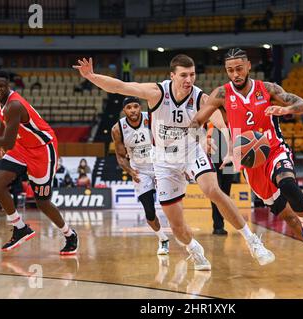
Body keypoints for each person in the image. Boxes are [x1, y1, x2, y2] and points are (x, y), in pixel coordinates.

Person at [73, 55, 274, 271]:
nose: (189, 80)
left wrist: (229, 142)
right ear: (172, 76)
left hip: (191, 152)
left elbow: (219, 119)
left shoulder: (199, 97)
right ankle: (193, 248)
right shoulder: (157, 92)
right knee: (177, 226)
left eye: (192, 74)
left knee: (213, 190)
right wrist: (91, 76)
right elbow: (120, 86)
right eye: (184, 75)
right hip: (163, 160)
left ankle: (251, 240)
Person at [189, 48, 303, 275]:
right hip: (251, 164)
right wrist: (203, 140)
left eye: (239, 68)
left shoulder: (268, 88)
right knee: (291, 220)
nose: (235, 74)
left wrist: (286, 108)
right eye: (230, 70)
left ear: (249, 66)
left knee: (288, 183)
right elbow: (197, 121)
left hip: (273, 148)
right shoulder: (221, 94)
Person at [0, 70, 78, 255]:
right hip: (21, 147)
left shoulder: (15, 105)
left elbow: (8, 141)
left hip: (43, 149)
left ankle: (69, 234)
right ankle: (20, 227)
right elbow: (4, 122)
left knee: (42, 201)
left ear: (9, 86)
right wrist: (2, 141)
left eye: (2, 86)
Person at [111, 96, 170, 254]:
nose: (133, 110)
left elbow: (167, 141)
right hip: (140, 170)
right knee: (149, 212)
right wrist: (131, 172)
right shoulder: (118, 129)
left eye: (135, 106)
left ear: (140, 107)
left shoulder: (151, 118)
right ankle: (163, 239)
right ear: (124, 110)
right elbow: (120, 156)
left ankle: (184, 237)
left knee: (170, 206)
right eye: (129, 107)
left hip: (159, 166)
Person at [207, 125, 234, 236]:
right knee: (217, 193)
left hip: (228, 164)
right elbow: (208, 142)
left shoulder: (231, 127)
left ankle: (221, 224)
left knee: (226, 193)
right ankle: (218, 226)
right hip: (215, 162)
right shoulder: (213, 127)